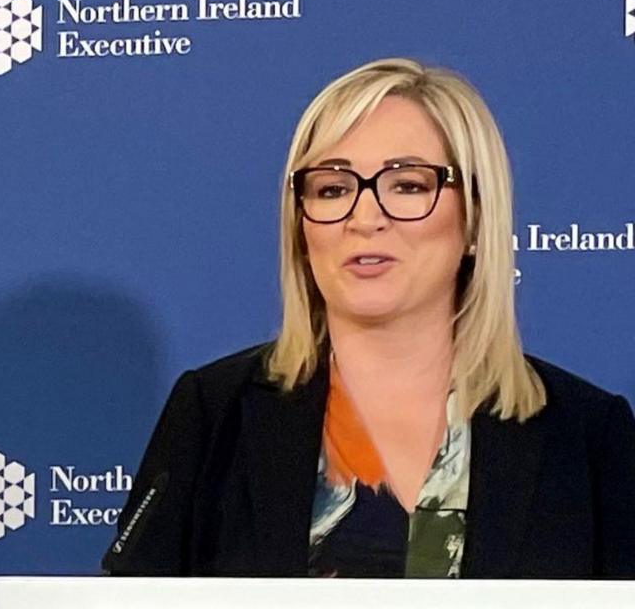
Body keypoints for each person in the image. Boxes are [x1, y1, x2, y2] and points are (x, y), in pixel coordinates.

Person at [106, 57, 635, 578]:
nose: (364, 218)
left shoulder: (588, 436)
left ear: (475, 217)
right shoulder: (214, 414)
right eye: (332, 189)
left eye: (407, 185)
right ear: (300, 227)